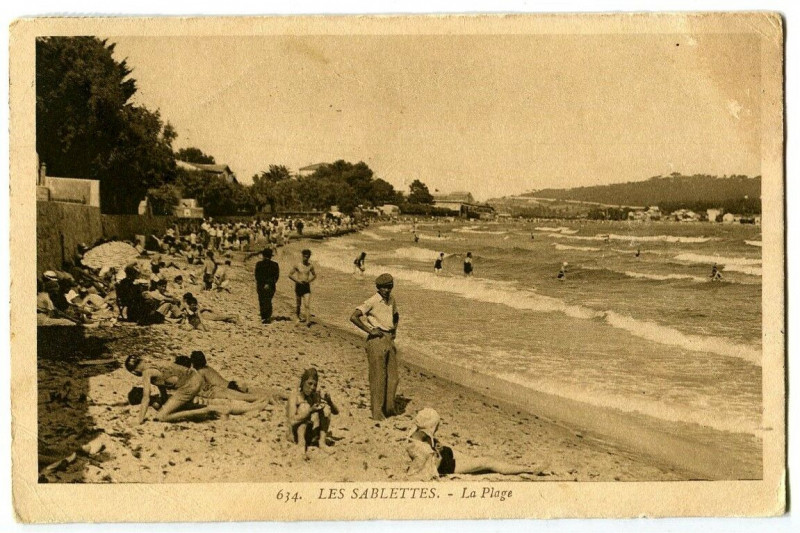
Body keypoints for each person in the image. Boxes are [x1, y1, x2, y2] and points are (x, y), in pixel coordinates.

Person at [406, 408, 536, 479]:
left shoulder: (416, 434)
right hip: (445, 466)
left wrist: (437, 446)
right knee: (487, 462)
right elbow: (433, 468)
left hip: (442, 454)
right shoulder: (421, 447)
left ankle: (521, 467)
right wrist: (438, 453)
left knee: (476, 460)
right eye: (436, 425)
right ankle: (528, 469)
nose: (437, 427)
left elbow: (428, 446)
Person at [350, 273, 400, 420]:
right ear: (378, 288)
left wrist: (394, 331)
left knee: (393, 377)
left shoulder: (392, 299)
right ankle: (377, 412)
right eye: (383, 287)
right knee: (378, 377)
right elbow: (354, 316)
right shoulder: (373, 300)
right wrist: (370, 330)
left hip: (389, 338)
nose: (386, 290)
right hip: (376, 339)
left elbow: (396, 315)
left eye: (389, 287)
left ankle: (388, 408)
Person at [286, 368, 339, 456]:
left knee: (326, 409)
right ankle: (301, 445)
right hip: (296, 434)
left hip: (310, 433)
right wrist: (310, 411)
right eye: (309, 383)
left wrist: (329, 401)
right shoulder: (294, 397)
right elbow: (291, 421)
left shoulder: (314, 396)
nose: (312, 388)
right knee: (304, 407)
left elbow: (336, 412)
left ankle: (322, 443)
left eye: (315, 385)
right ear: (303, 383)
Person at [288, 249, 317, 323]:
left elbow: (314, 275)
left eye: (307, 257)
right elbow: (290, 275)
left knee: (307, 304)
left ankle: (308, 321)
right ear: (302, 256)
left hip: (306, 286)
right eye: (305, 256)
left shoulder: (310, 266)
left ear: (309, 257)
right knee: (298, 304)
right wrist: (297, 281)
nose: (306, 258)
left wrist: (309, 280)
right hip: (298, 286)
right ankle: (297, 317)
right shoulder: (297, 265)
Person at [254, 248, 280, 324]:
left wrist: (262, 283)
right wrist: (269, 283)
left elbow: (257, 275)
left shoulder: (259, 264)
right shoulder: (275, 264)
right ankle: (267, 317)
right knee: (268, 300)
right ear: (271, 256)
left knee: (261, 300)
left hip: (260, 285)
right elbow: (276, 276)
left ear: (263, 255)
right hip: (271, 285)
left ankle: (264, 316)